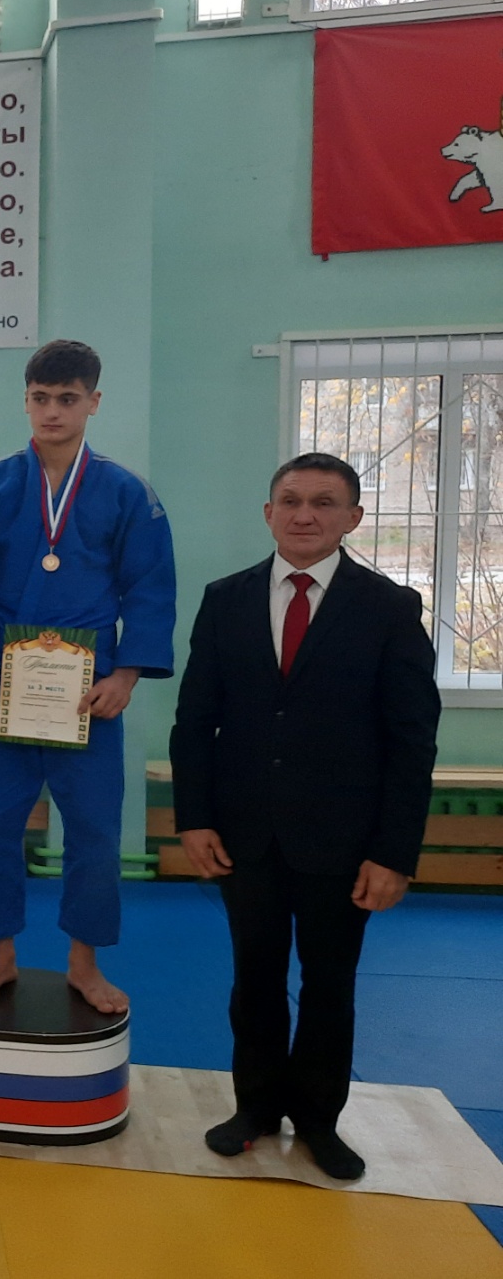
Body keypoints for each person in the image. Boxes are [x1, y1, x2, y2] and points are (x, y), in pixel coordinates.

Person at [170, 453, 438, 1181]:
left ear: (353, 518)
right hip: (244, 833)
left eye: (324, 502)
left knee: (329, 984)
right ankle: (255, 1107)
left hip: (344, 840)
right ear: (268, 513)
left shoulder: (388, 608)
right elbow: (195, 720)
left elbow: (412, 740)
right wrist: (193, 817)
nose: (304, 515)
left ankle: (319, 1120)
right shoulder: (225, 599)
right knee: (253, 978)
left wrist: (395, 852)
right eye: (290, 500)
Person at [0, 341, 176, 1014]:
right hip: (5, 689)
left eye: (68, 398)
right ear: (26, 400)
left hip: (89, 692)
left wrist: (126, 677)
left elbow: (149, 589)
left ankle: (84, 963)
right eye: (41, 398)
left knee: (96, 834)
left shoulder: (126, 491)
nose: (53, 410)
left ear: (93, 402)